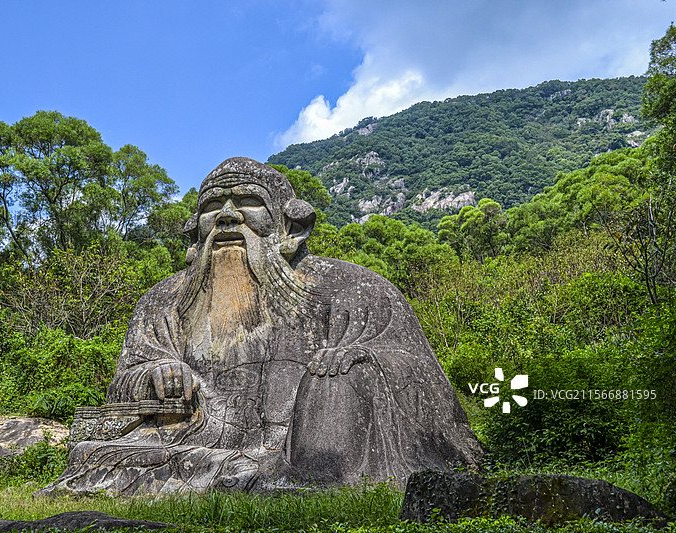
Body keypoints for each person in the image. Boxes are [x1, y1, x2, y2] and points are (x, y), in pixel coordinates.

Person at [40, 157, 481, 497]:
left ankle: (298, 473)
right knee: (92, 454)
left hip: (296, 444)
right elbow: (127, 377)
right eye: (214, 208)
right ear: (196, 231)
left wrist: (354, 360)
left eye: (248, 203)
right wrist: (155, 374)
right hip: (200, 434)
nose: (229, 217)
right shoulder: (164, 299)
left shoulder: (353, 287)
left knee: (335, 390)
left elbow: (416, 371)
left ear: (290, 224)